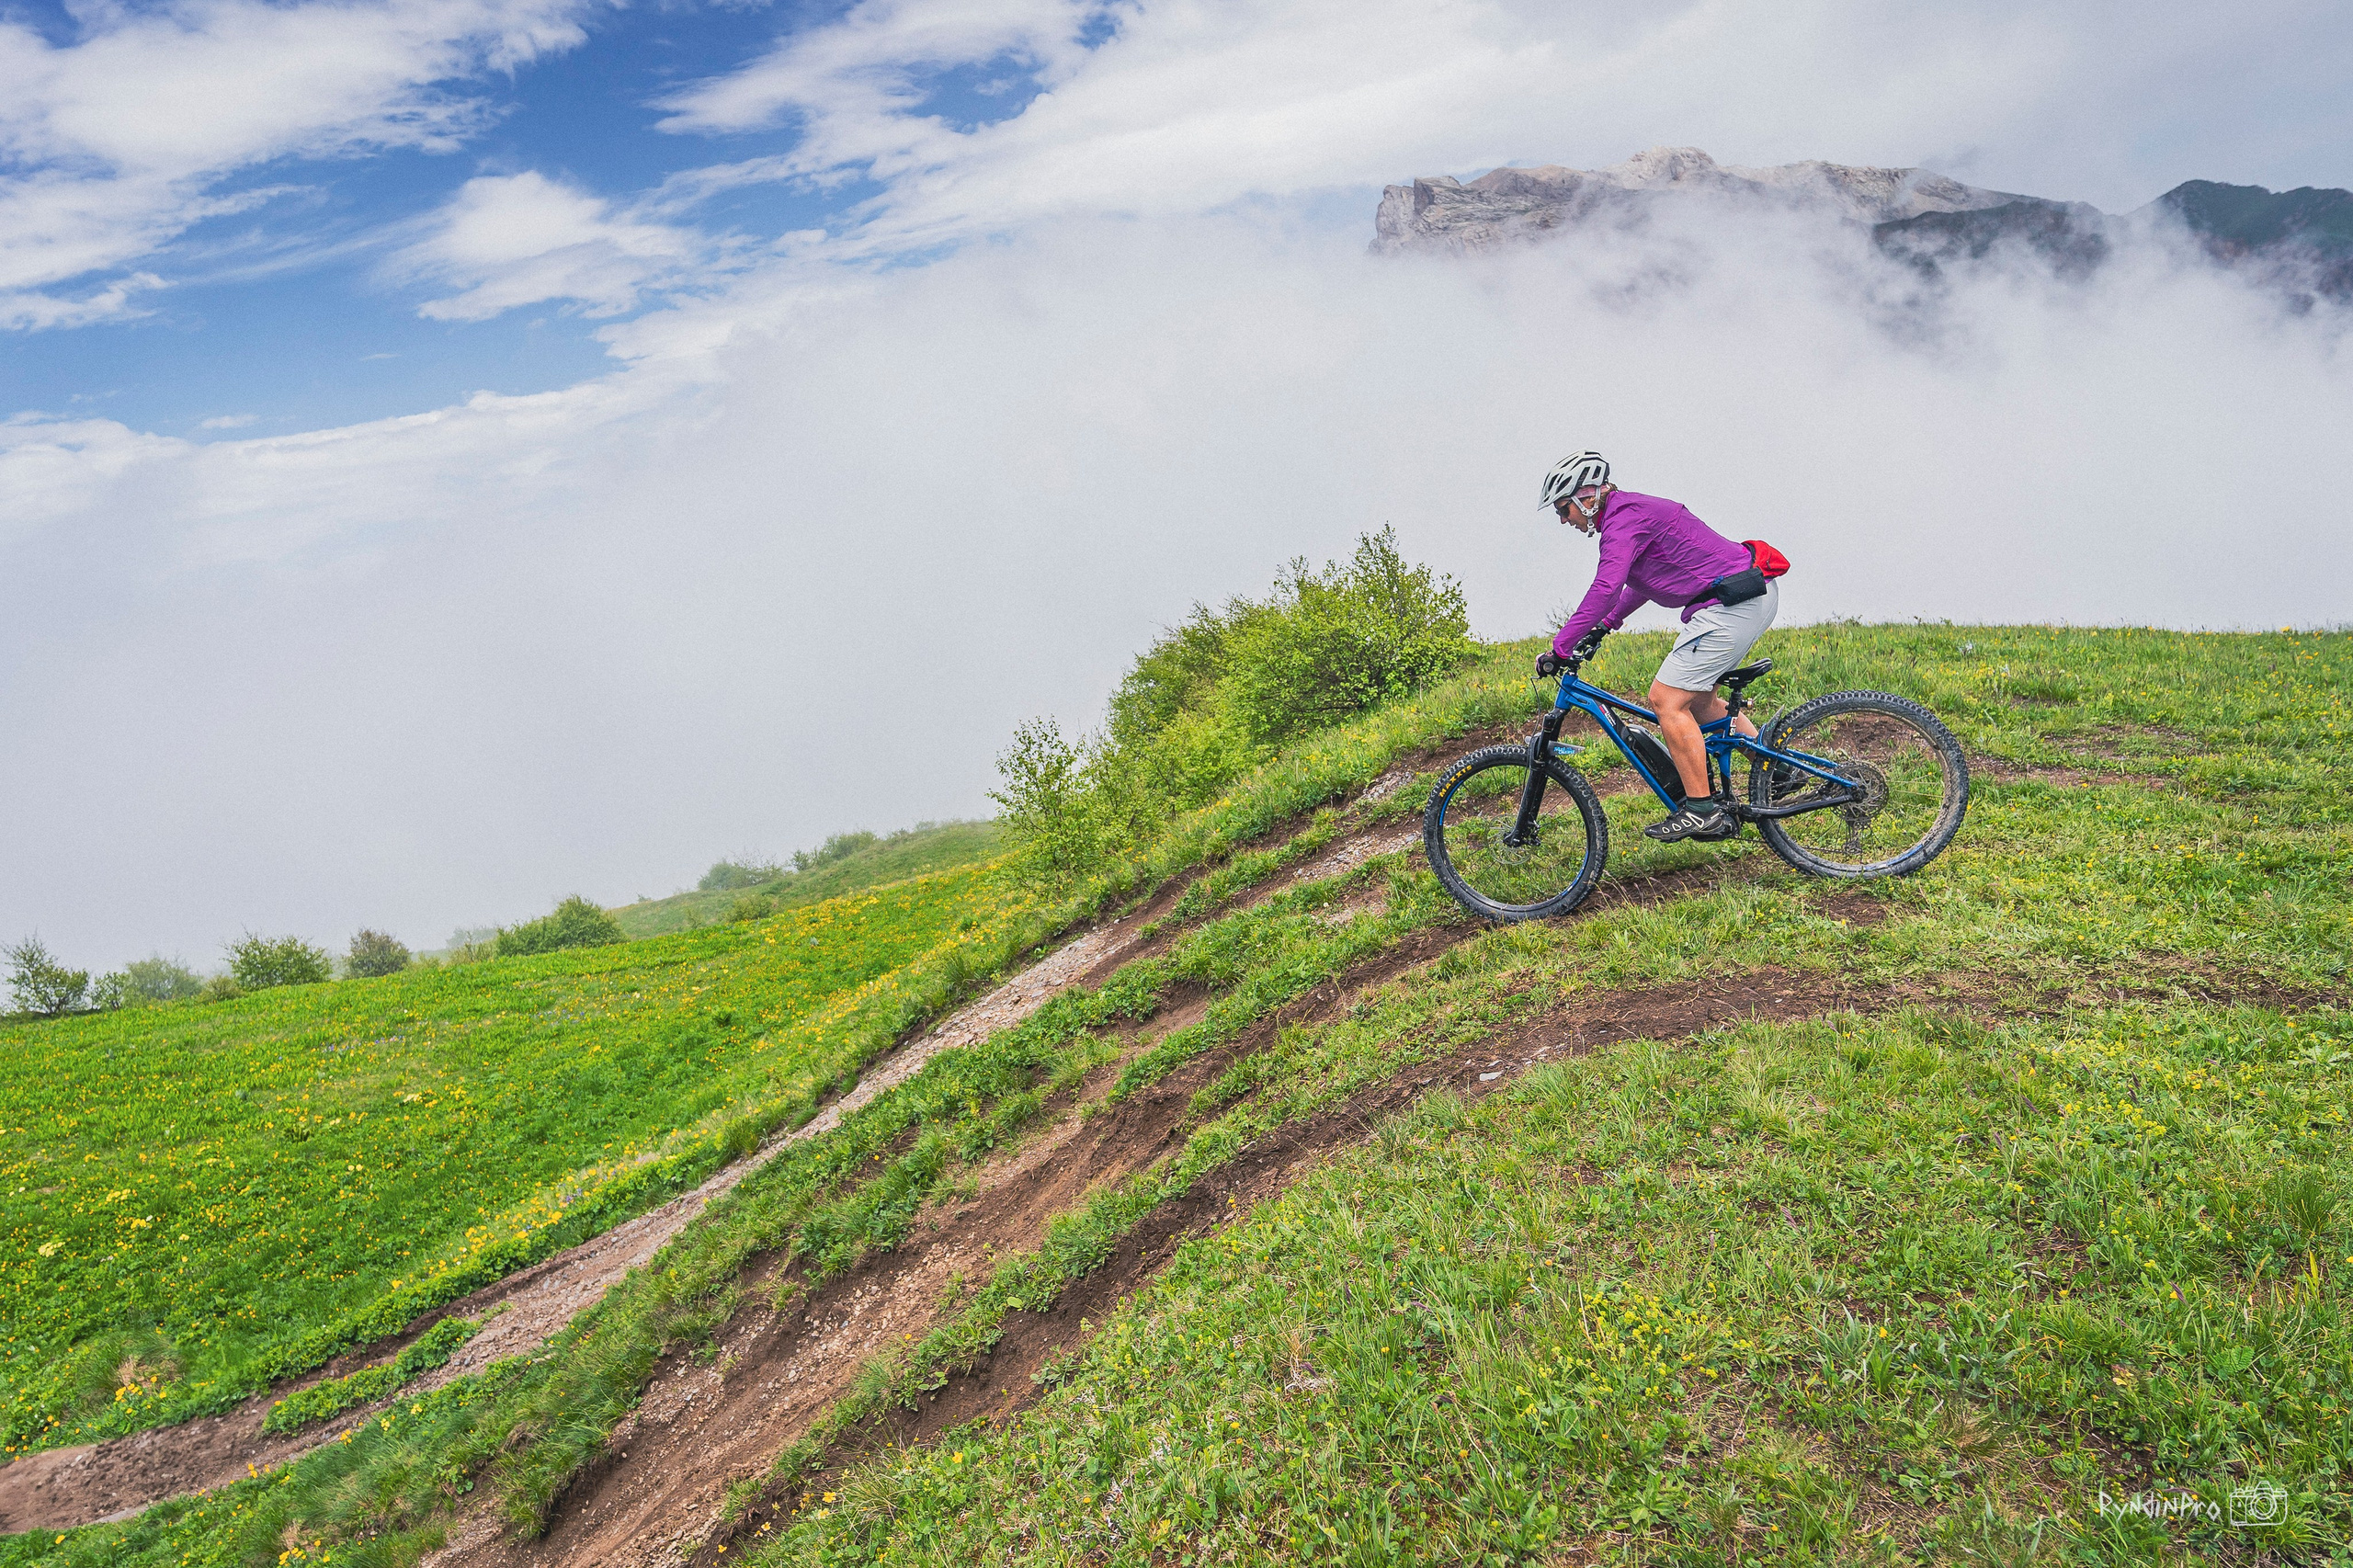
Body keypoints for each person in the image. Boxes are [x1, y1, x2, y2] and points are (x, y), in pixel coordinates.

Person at [1532, 449, 1782, 844]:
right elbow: (1637, 582)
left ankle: (1701, 809)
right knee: (1699, 703)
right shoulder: (1627, 514)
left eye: (1564, 509)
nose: (1564, 520)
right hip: (1745, 597)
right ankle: (1778, 772)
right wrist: (1605, 625)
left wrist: (1561, 647)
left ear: (1586, 495)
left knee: (1666, 699)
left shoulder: (1623, 520)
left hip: (1732, 604)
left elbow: (1606, 587)